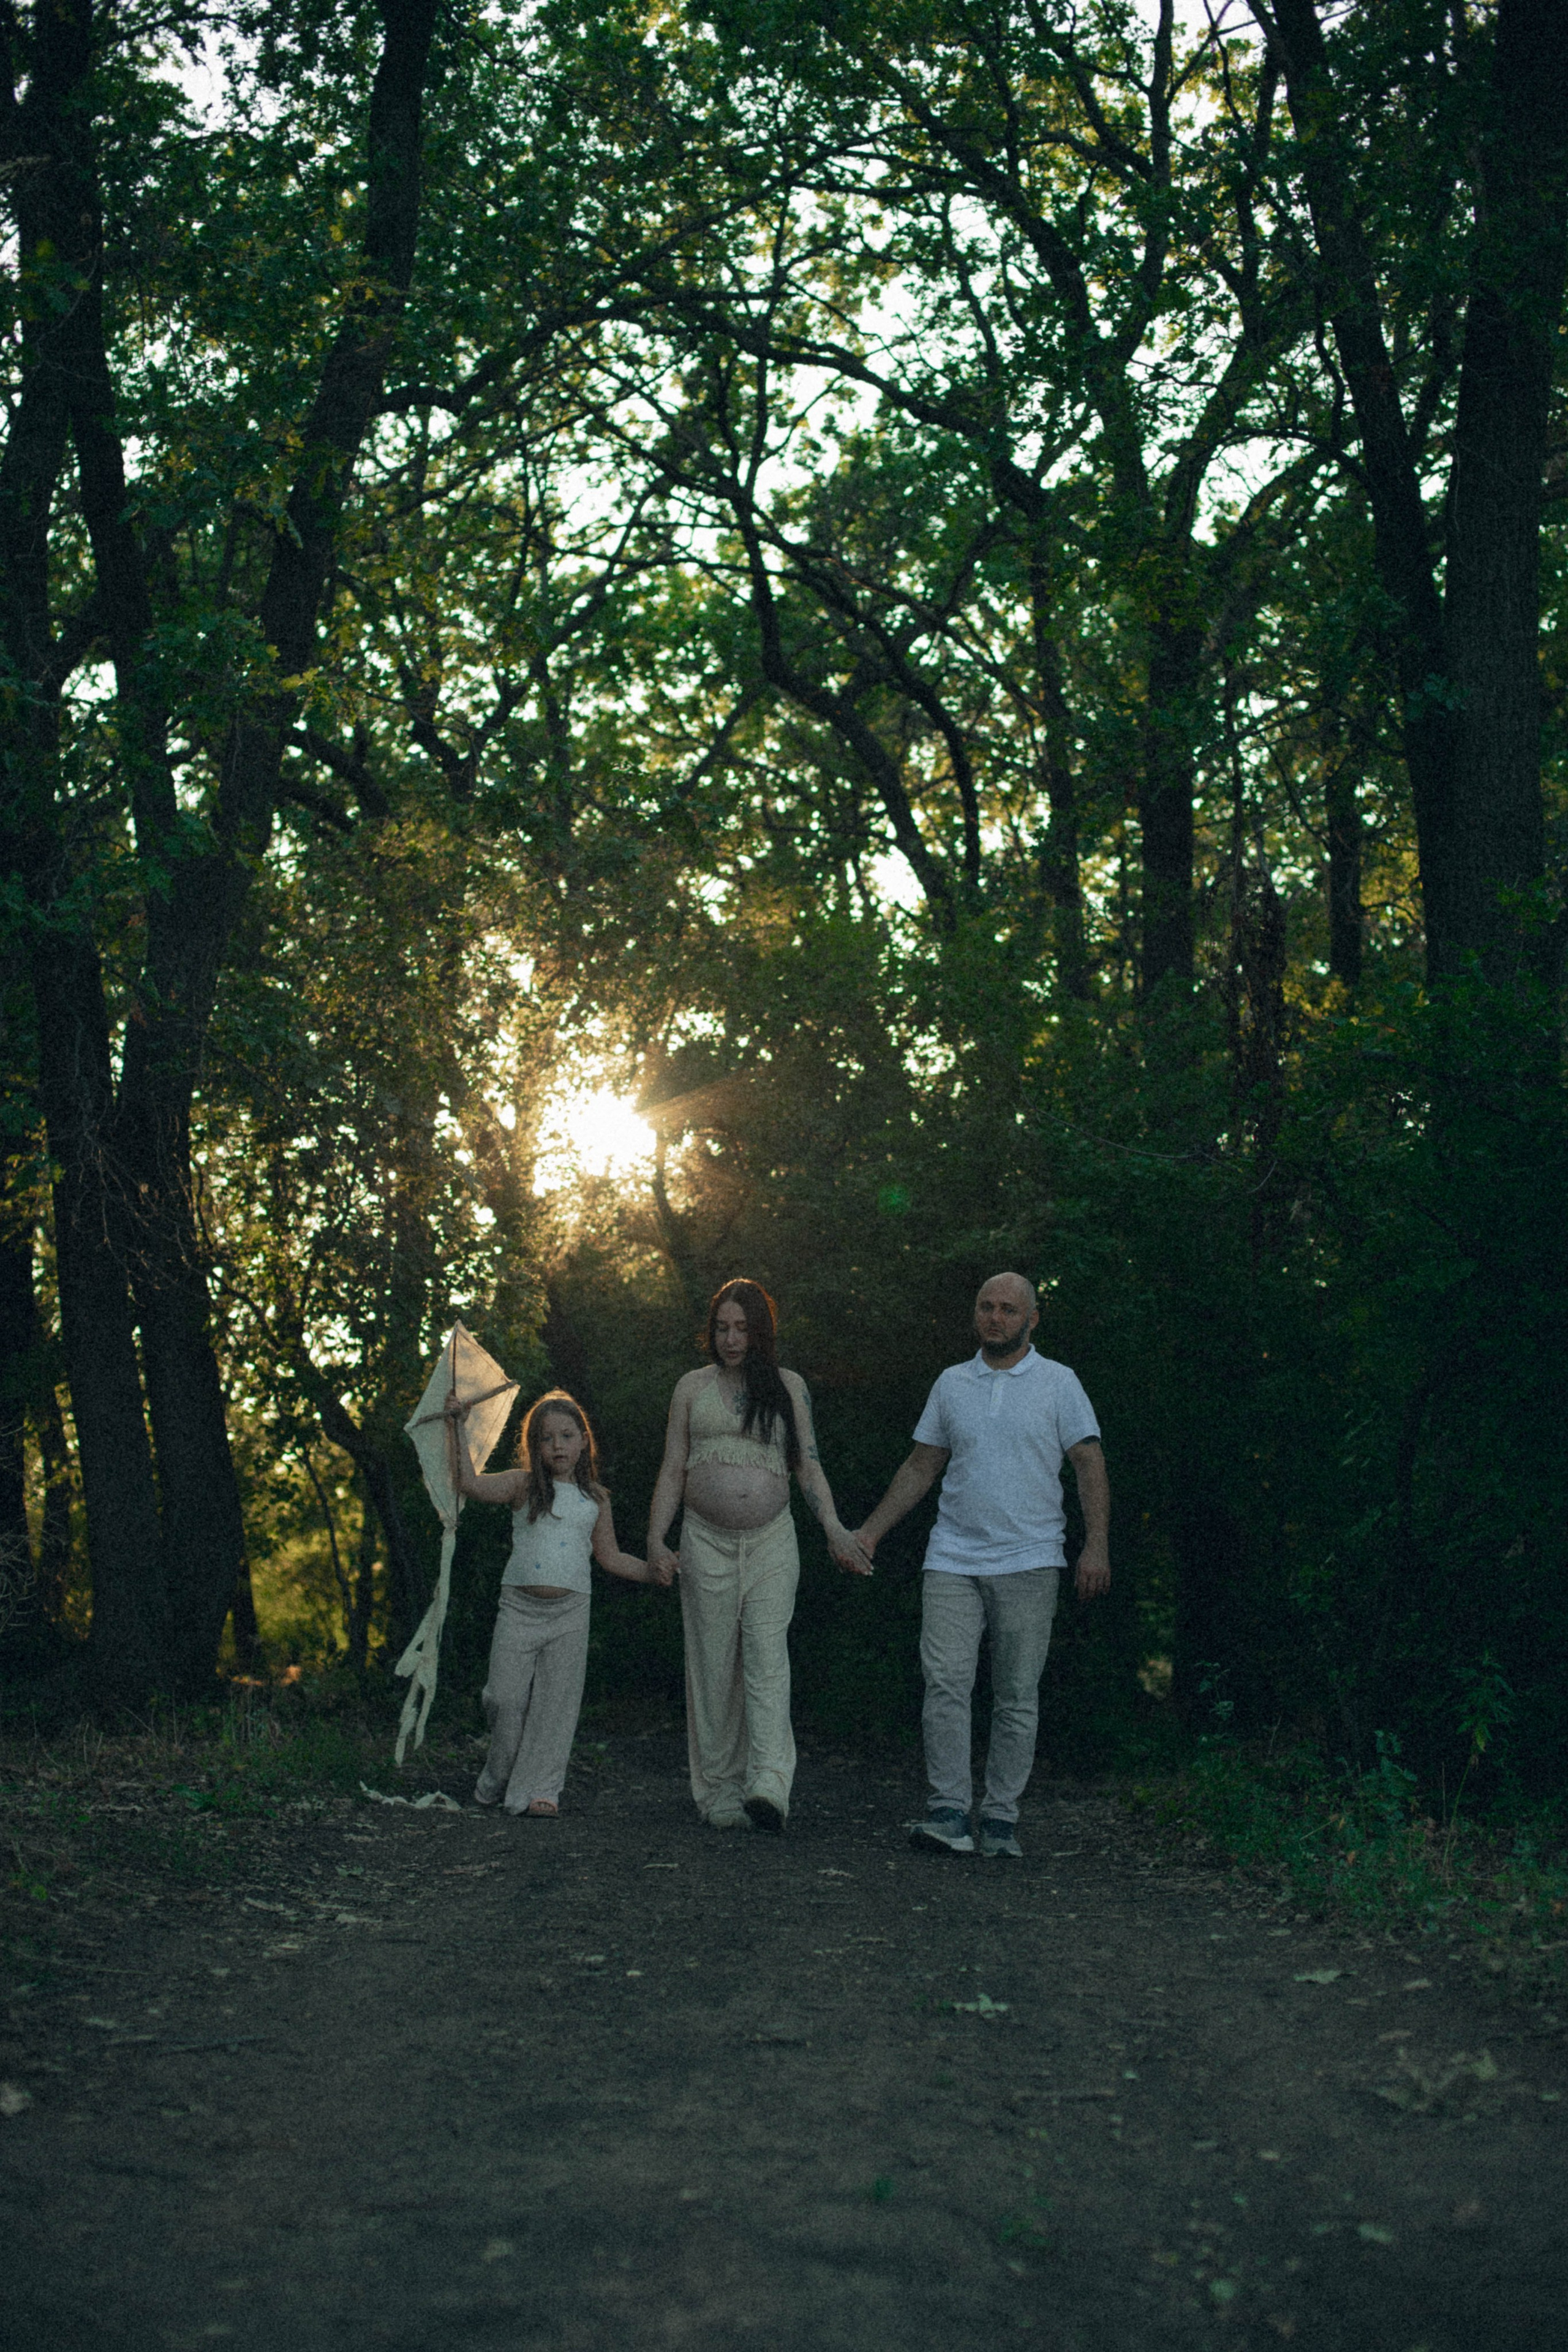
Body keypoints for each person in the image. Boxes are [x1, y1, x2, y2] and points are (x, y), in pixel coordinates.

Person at [848, 1272, 1109, 1860]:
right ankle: (948, 1811)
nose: (995, 1318)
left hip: (1032, 1558)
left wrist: (1097, 1546)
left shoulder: (1059, 1383)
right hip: (953, 1557)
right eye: (986, 1307)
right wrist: (870, 1532)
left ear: (1032, 1319)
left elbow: (1089, 1464)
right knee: (945, 1681)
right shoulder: (952, 1383)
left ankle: (999, 1818)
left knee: (1016, 1693)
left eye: (1009, 1310)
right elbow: (921, 1466)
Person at [649, 1278, 865, 1834]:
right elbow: (673, 1467)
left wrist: (835, 1529)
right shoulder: (690, 1388)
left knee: (768, 1657)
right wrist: (656, 1540)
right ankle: (719, 1790)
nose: (731, 1338)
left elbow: (808, 1465)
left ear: (761, 1330)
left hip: (772, 1539)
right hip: (704, 1541)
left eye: (742, 1327)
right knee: (713, 1665)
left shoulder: (788, 1387)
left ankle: (769, 1780)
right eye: (722, 1327)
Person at [446, 1387, 671, 1818]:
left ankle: (543, 1788)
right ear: (535, 1446)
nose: (557, 1446)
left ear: (584, 1441)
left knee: (557, 1702)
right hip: (519, 1609)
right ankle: (497, 1775)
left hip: (570, 1613)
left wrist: (653, 1570)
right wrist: (458, 1425)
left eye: (567, 1436)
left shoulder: (595, 1498)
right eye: (547, 1439)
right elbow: (468, 1483)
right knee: (504, 1699)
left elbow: (610, 1557)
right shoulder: (522, 1485)